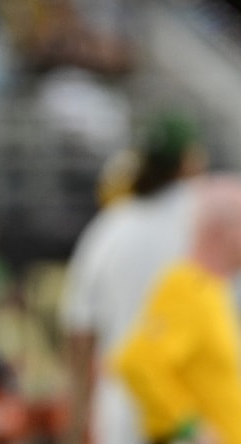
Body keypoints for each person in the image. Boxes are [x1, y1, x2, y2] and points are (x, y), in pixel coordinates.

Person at [59, 111, 207, 444]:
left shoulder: (109, 229)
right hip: (200, 409)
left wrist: (76, 421)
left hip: (124, 413)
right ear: (190, 159)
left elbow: (79, 331)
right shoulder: (212, 222)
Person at [111, 175, 241, 444]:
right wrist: (188, 428)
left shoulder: (211, 291)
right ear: (219, 231)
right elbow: (137, 362)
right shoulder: (187, 287)